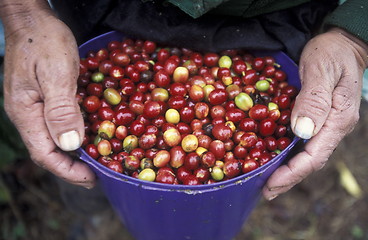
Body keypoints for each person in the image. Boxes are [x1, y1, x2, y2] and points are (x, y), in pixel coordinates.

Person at [0, 0, 367, 207]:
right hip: (96, 10)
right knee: (75, 141)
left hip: (277, 20)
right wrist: (23, 13)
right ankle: (95, 211)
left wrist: (355, 33)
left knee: (239, 191)